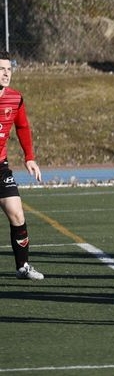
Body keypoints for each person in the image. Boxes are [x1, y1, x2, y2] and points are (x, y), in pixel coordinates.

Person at [0, 52, 44, 280]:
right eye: (1, 69)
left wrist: (29, 157)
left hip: (0, 168)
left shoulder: (15, 98)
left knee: (17, 214)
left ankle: (23, 267)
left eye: (8, 69)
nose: (6, 73)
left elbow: (23, 127)